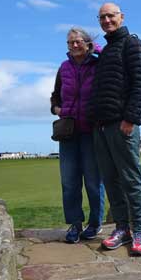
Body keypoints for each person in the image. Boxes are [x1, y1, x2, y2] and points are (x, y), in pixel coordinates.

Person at [88, 2, 141, 256]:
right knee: (111, 180)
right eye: (102, 17)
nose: (106, 20)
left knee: (131, 179)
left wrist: (130, 118)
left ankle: (139, 232)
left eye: (110, 16)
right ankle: (122, 229)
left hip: (122, 125)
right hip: (101, 126)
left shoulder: (133, 44)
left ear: (121, 17)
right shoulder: (106, 51)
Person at [50, 28, 105, 244]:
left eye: (78, 41)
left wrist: (97, 51)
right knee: (69, 182)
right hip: (68, 133)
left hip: (92, 131)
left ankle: (95, 223)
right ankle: (75, 223)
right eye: (70, 42)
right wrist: (58, 110)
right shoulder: (64, 67)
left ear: (87, 43)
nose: (74, 45)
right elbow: (55, 96)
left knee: (93, 182)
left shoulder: (98, 64)